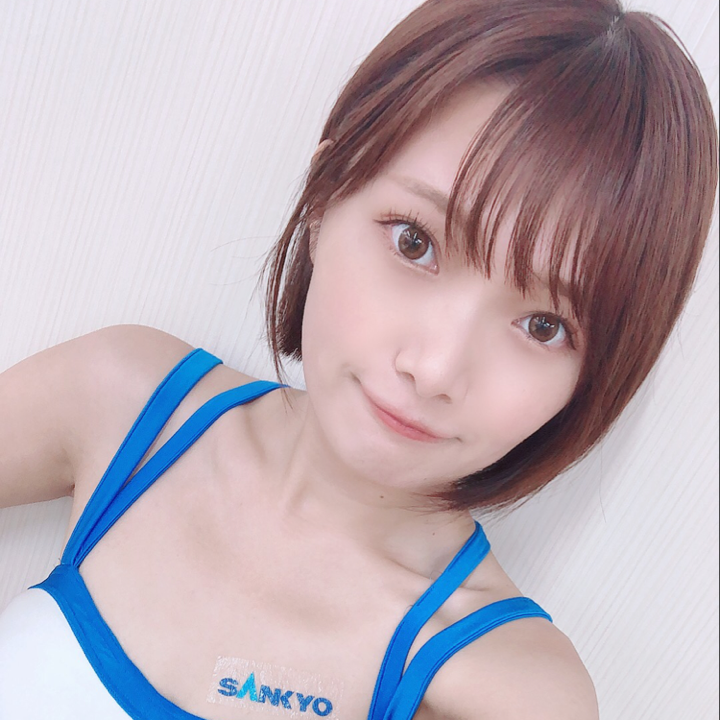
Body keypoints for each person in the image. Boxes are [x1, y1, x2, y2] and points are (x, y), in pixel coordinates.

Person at [0, 0, 716, 718]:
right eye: (414, 242)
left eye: (542, 326)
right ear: (324, 198)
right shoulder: (123, 401)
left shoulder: (506, 689)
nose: (435, 369)